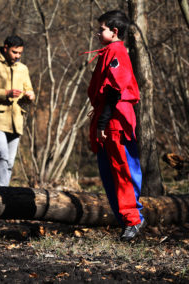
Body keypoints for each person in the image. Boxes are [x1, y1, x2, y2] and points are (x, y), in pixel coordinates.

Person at [86, 10, 145, 241]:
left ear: (115, 31)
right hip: (107, 118)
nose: (98, 32)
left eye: (101, 29)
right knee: (109, 172)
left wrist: (103, 121)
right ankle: (126, 220)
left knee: (122, 170)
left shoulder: (116, 50)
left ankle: (133, 220)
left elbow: (114, 89)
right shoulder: (108, 50)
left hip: (114, 121)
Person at [0, 35, 35, 186]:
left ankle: (5, 193)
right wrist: (5, 93)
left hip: (16, 120)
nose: (17, 56)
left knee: (10, 161)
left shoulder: (23, 69)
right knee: (2, 155)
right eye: (14, 52)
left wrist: (29, 96)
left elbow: (28, 90)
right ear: (5, 48)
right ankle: (3, 191)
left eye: (20, 53)